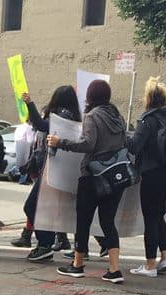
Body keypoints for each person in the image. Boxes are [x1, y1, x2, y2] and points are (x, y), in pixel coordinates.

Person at [52, 79, 127, 284]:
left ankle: (77, 264)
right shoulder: (118, 118)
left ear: (91, 97)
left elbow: (88, 144)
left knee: (83, 220)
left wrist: (61, 143)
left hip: (93, 175)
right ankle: (114, 269)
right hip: (115, 176)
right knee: (108, 221)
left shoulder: (92, 116)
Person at [15, 87, 81, 262]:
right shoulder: (73, 117)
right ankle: (46, 243)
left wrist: (30, 104)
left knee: (33, 206)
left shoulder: (63, 117)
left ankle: (45, 245)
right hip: (60, 170)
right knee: (48, 209)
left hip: (53, 169)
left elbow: (41, 125)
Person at [126, 77, 166, 277]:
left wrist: (122, 136)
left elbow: (135, 146)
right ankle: (165, 257)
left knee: (150, 218)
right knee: (160, 216)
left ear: (148, 98)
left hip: (150, 173)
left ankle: (149, 265)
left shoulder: (147, 120)